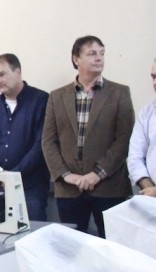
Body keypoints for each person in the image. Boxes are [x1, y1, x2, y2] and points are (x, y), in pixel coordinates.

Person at [43, 36, 134, 236]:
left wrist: (97, 174)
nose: (99, 58)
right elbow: (48, 141)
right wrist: (66, 175)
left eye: (102, 53)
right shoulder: (57, 96)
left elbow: (124, 140)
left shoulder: (119, 93)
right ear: (76, 59)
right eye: (92, 54)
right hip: (69, 188)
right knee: (72, 247)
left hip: (109, 187)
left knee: (112, 246)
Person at [0, 54, 50, 221]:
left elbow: (41, 144)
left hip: (31, 184)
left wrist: (14, 174)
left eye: (2, 74)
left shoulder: (41, 100)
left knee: (33, 230)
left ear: (18, 72)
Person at [128, 58, 156, 197]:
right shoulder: (147, 112)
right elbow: (135, 156)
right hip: (150, 197)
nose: (155, 82)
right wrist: (150, 189)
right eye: (153, 77)